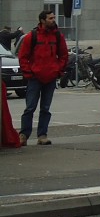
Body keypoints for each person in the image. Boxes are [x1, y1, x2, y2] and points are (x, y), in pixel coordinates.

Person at [17, 10, 69, 146]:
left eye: (53, 18)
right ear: (42, 20)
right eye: (50, 18)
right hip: (35, 77)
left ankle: (42, 135)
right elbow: (23, 56)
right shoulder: (32, 36)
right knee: (30, 108)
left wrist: (58, 71)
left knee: (45, 108)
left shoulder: (57, 36)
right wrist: (29, 73)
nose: (53, 20)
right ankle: (24, 135)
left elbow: (64, 55)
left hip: (50, 77)